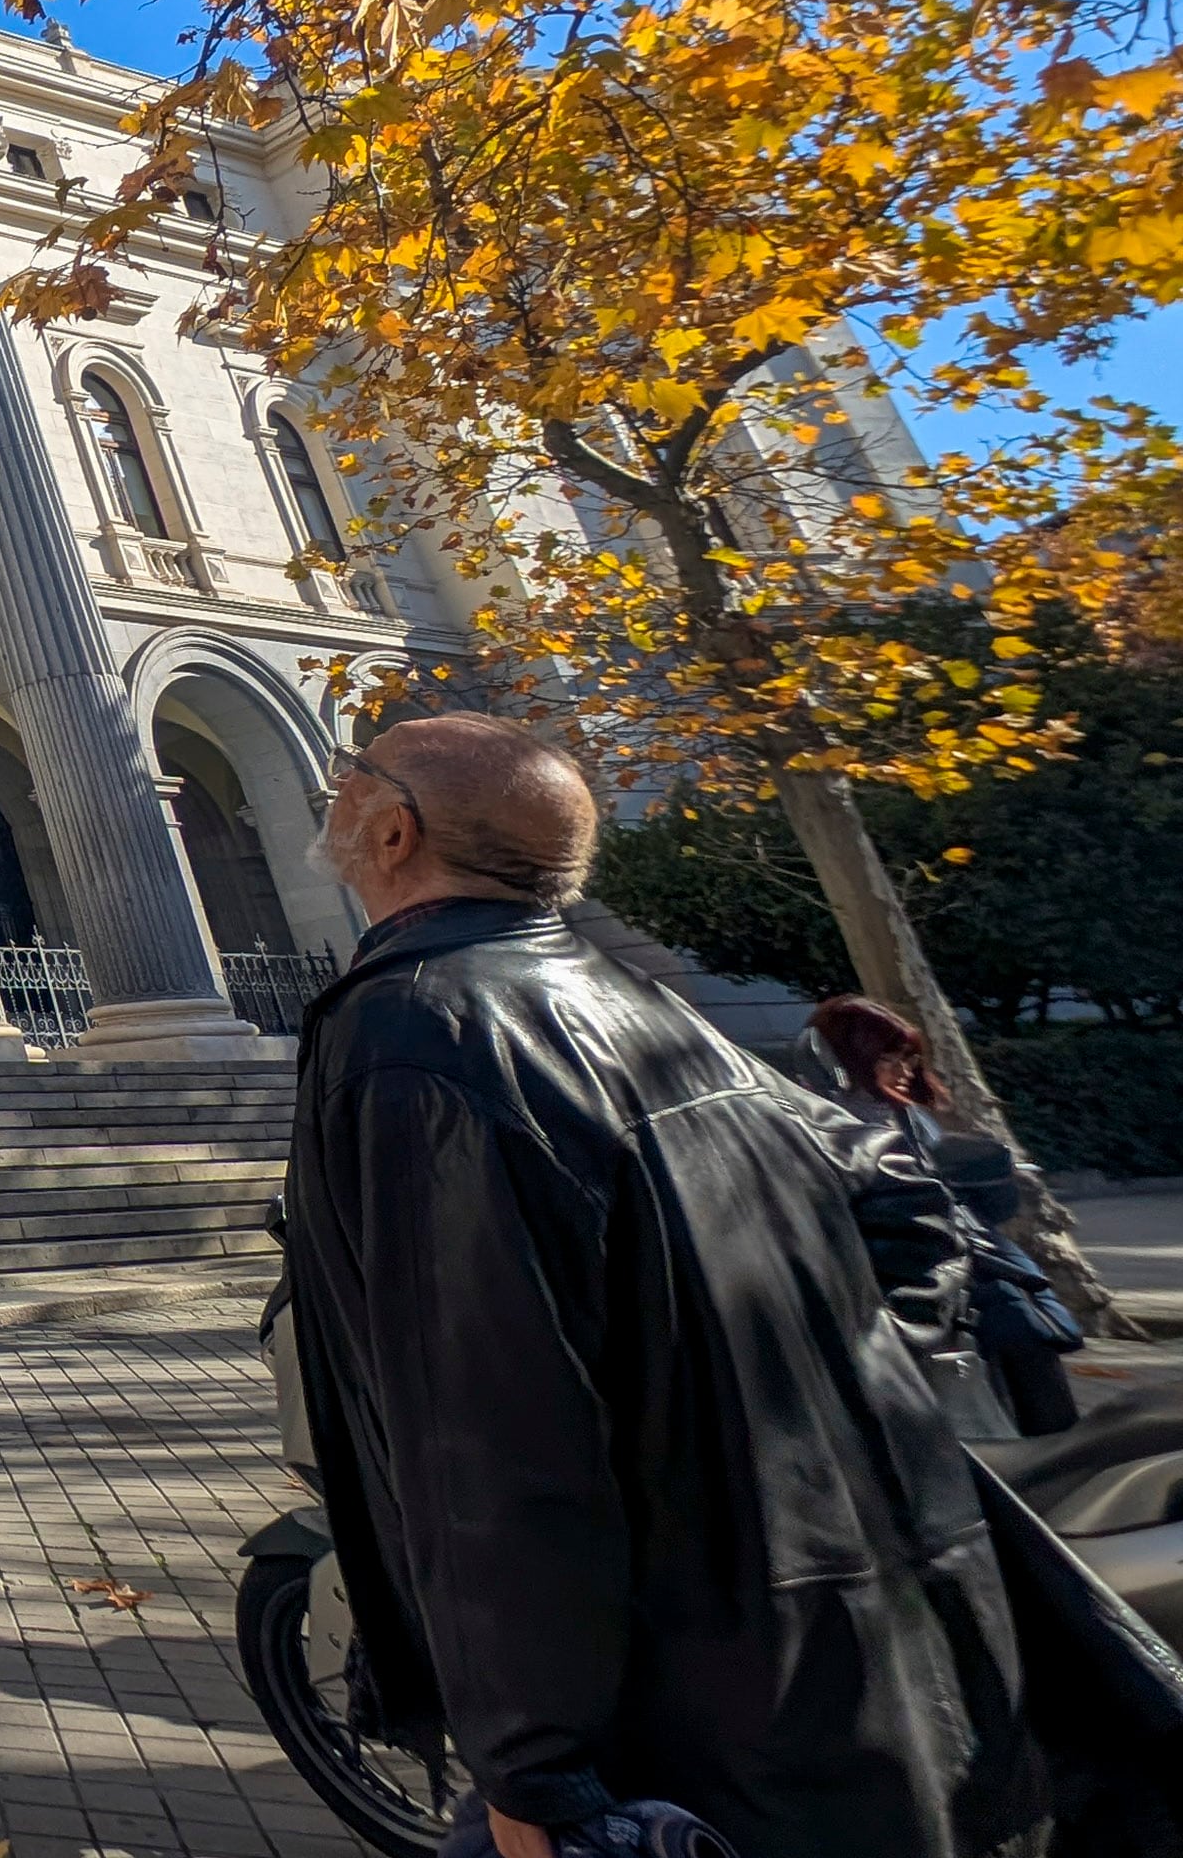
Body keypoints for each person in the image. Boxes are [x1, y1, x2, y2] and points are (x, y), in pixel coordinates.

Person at [286, 710, 1047, 1858]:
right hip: (849, 1642)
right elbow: (901, 1194)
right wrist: (814, 1390)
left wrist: (533, 1771)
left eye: (351, 776)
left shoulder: (420, 1029)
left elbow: (487, 1434)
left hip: (664, 1718)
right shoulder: (647, 1005)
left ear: (394, 831)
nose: (330, 788)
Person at [812, 993, 1088, 1438]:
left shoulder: (906, 1116)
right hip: (891, 1266)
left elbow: (945, 1168)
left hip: (955, 1248)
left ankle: (1053, 1444)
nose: (903, 1071)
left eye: (907, 1058)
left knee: (1026, 1323)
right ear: (847, 1058)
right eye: (888, 1059)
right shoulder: (826, 1122)